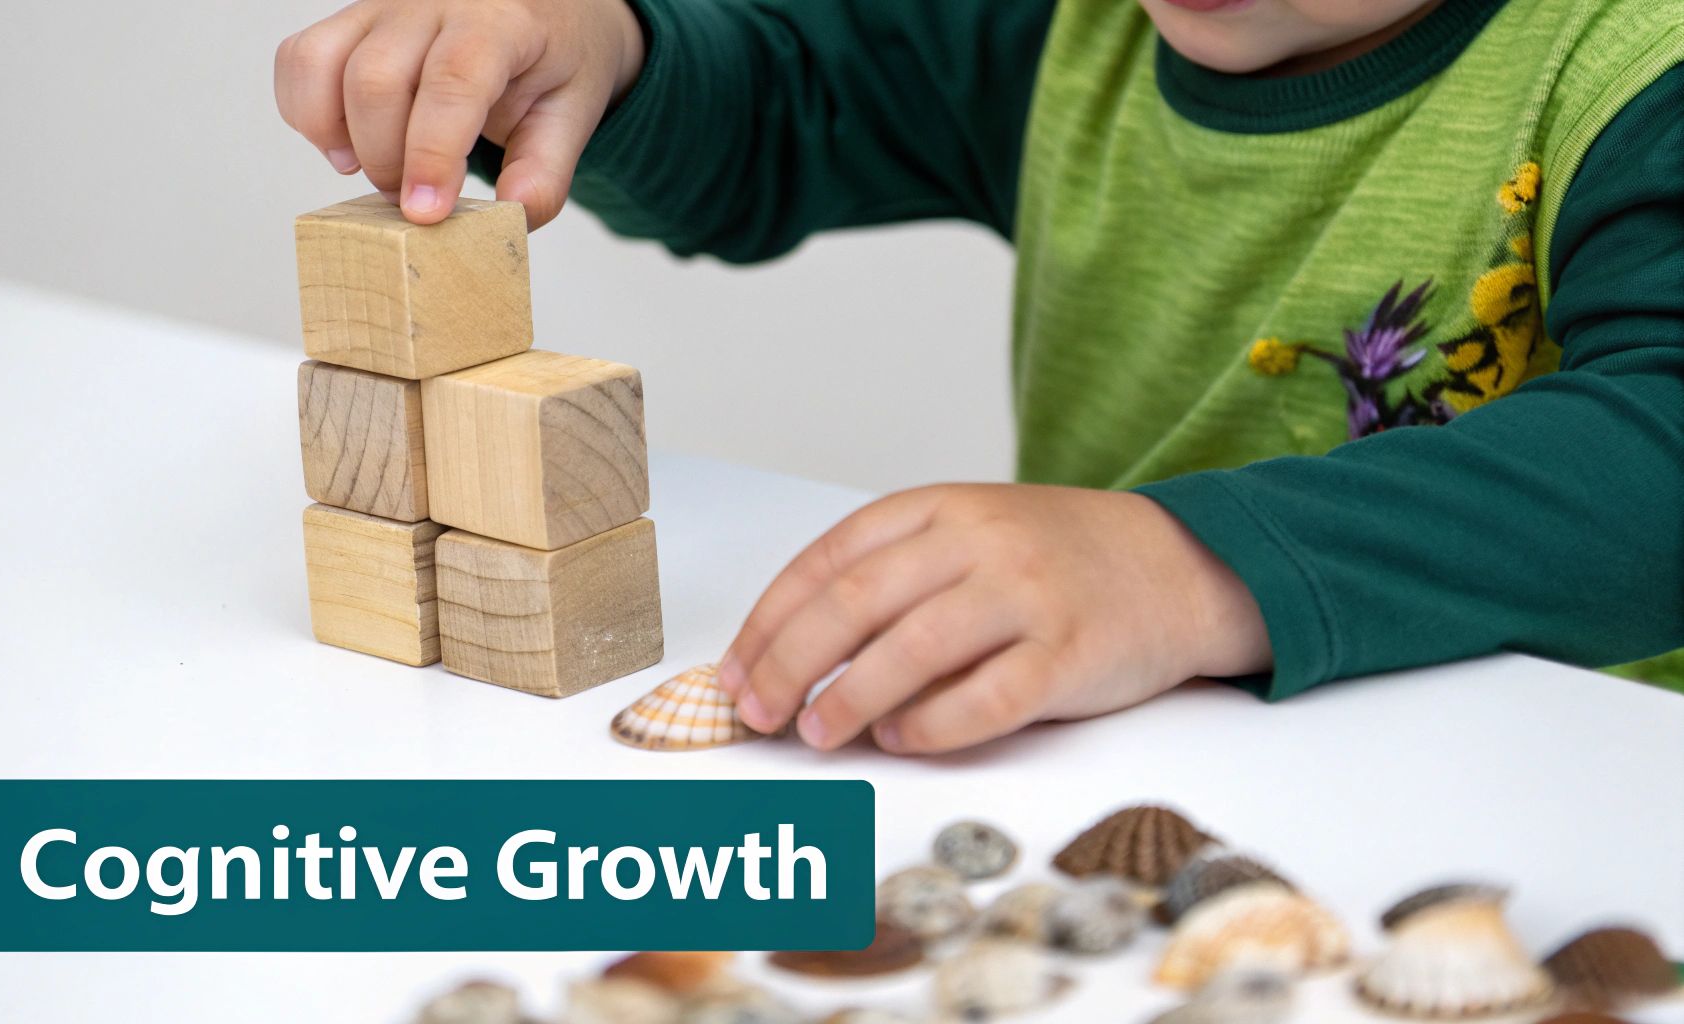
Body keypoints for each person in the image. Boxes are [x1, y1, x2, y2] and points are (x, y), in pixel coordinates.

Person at [274, 0, 1684, 753]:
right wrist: (603, 50)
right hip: (1154, 766)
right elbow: (777, 101)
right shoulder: (1079, 22)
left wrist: (1183, 568)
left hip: (1567, 787)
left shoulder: (1638, 62)